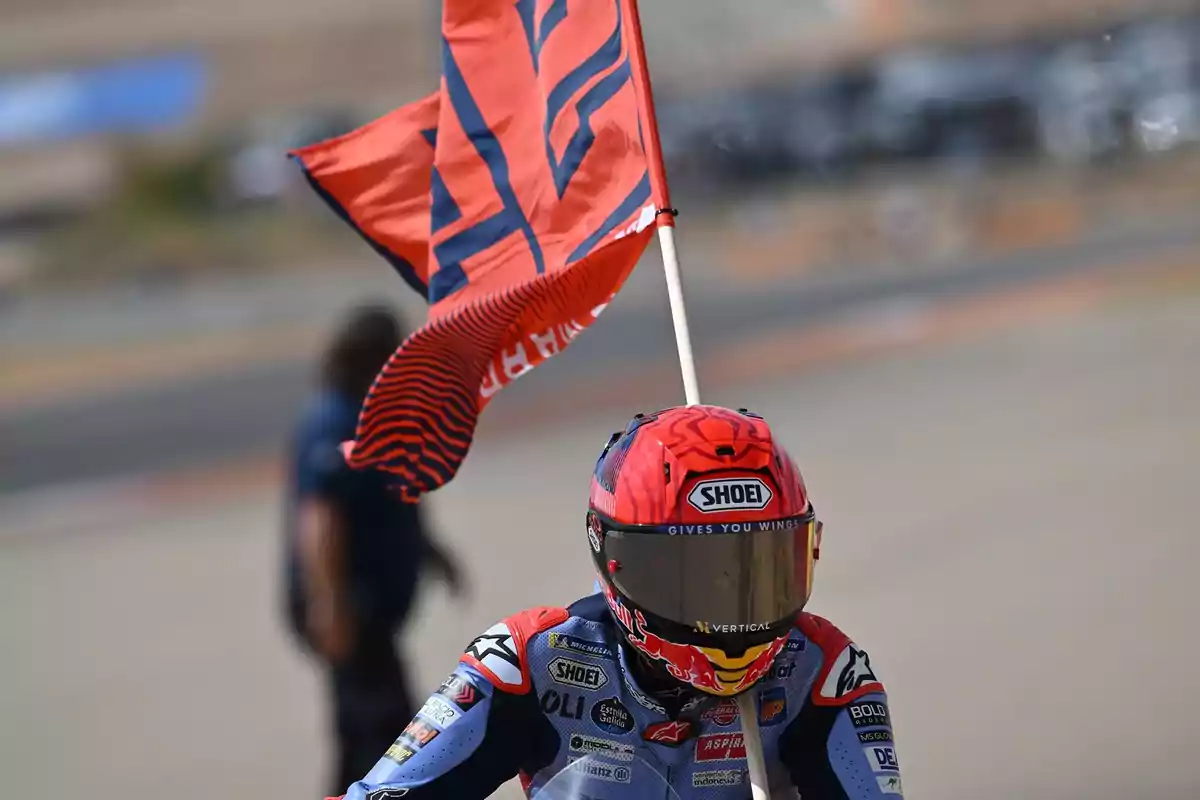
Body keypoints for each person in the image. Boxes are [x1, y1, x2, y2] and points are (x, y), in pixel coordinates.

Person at [327, 404, 903, 799]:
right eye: (699, 576)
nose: (734, 607)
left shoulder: (822, 671)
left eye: (759, 570)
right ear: (615, 558)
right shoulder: (528, 662)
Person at [282, 302, 468, 797]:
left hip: (366, 612)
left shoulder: (370, 417)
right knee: (387, 739)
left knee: (362, 735)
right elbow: (320, 518)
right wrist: (329, 602)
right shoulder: (334, 420)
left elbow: (386, 501)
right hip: (349, 608)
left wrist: (432, 552)